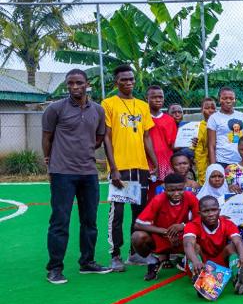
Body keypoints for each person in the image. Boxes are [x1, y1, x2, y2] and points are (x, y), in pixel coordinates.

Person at [43, 69, 115, 283]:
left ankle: (87, 262)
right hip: (62, 172)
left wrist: (83, 150)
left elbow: (99, 138)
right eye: (71, 83)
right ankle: (54, 268)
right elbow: (47, 138)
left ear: (87, 84)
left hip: (88, 173)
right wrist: (50, 161)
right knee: (60, 221)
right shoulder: (55, 109)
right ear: (67, 85)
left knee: (89, 220)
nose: (75, 87)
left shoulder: (98, 111)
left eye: (79, 83)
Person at [102, 64, 157, 271]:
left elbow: (146, 136)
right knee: (117, 214)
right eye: (124, 79)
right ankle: (115, 255)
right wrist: (113, 167)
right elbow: (106, 136)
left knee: (139, 213)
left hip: (140, 167)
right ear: (116, 82)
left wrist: (154, 163)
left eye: (131, 79)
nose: (128, 83)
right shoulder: (108, 104)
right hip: (121, 167)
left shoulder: (142, 106)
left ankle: (134, 254)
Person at [131, 173, 199, 280]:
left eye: (180, 189)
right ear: (165, 188)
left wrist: (183, 226)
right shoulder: (158, 199)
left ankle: (191, 266)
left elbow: (199, 220)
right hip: (162, 238)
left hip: (184, 237)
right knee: (137, 237)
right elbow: (138, 224)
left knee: (198, 242)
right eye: (171, 190)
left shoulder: (190, 197)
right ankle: (153, 261)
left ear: (185, 187)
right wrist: (166, 232)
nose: (176, 193)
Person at [183, 195, 243, 294]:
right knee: (195, 247)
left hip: (220, 262)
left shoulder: (228, 224)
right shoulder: (192, 225)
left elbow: (238, 241)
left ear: (219, 211)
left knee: (232, 246)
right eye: (206, 211)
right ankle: (200, 279)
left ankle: (238, 278)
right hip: (199, 264)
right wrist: (195, 261)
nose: (211, 214)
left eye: (214, 210)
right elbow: (188, 244)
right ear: (199, 213)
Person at [207, 86, 243, 167]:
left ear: (235, 100)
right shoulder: (214, 118)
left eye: (231, 98)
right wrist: (213, 167)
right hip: (222, 161)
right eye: (224, 98)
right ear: (219, 100)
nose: (228, 101)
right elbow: (211, 145)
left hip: (241, 160)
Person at [146, 85, 177, 181]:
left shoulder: (170, 120)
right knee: (149, 191)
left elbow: (173, 145)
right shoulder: (143, 117)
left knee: (164, 190)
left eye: (160, 97)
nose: (158, 100)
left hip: (166, 161)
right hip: (148, 162)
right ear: (146, 98)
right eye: (154, 97)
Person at [193, 97, 217, 183]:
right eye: (207, 108)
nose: (210, 110)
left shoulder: (220, 125)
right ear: (201, 110)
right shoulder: (197, 127)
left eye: (213, 108)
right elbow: (197, 149)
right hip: (203, 161)